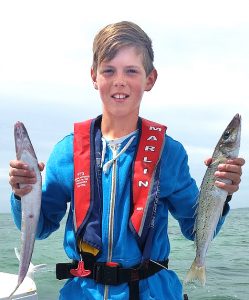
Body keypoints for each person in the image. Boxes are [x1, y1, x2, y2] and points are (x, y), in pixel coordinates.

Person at [9, 21, 245, 300]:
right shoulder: (67, 151)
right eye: (109, 70)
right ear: (94, 76)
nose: (119, 80)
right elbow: (41, 228)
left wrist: (220, 195)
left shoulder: (169, 153)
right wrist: (22, 194)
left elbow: (195, 230)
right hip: (82, 292)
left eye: (131, 70)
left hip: (152, 291)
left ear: (150, 79)